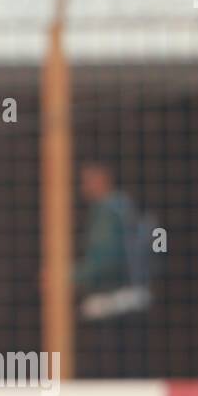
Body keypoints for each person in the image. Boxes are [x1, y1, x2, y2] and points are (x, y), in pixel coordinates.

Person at [73, 161, 152, 378]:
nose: (83, 187)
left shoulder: (108, 211)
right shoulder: (126, 208)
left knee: (108, 377)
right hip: (133, 303)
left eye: (88, 181)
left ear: (102, 179)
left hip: (113, 310)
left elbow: (106, 259)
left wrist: (69, 277)